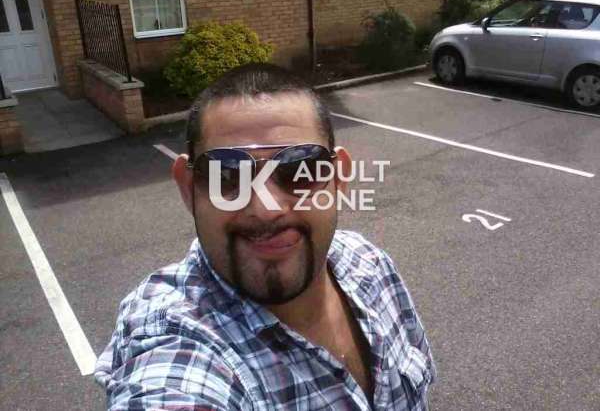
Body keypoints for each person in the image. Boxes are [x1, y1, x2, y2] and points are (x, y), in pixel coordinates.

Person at [95, 63, 436, 410]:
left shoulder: (371, 266)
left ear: (338, 179)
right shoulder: (174, 342)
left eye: (299, 169)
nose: (266, 208)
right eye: (227, 174)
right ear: (188, 187)